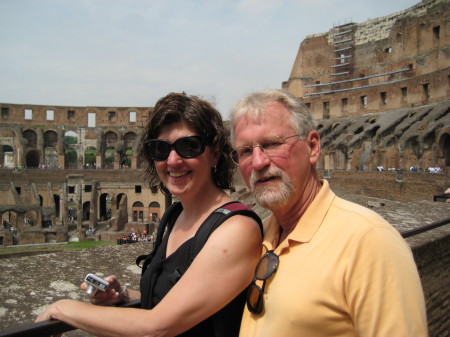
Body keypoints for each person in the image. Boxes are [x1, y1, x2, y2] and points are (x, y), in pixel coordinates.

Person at [36, 92, 263, 337]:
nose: (173, 160)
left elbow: (158, 327)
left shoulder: (236, 229)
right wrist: (122, 297)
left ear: (215, 152)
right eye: (160, 149)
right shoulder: (175, 216)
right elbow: (173, 304)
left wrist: (62, 308)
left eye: (188, 146)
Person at [229, 89, 428, 337]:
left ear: (312, 147)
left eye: (272, 144)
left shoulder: (369, 241)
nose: (258, 162)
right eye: (246, 151)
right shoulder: (258, 235)